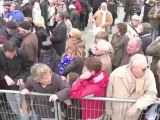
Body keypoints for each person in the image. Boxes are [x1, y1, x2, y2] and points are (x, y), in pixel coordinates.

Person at [106, 54, 157, 120]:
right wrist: (108, 112)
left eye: (147, 66)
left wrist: (137, 106)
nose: (146, 70)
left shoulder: (149, 75)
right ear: (133, 67)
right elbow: (108, 94)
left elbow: (152, 94)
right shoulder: (116, 74)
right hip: (116, 114)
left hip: (134, 116)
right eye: (143, 69)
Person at [0, 41, 31, 119]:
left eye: (13, 55)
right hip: (7, 86)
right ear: (4, 51)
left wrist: (22, 78)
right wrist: (5, 76)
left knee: (24, 109)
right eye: (9, 56)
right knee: (14, 107)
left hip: (20, 85)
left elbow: (28, 68)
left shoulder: (22, 53)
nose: (11, 58)